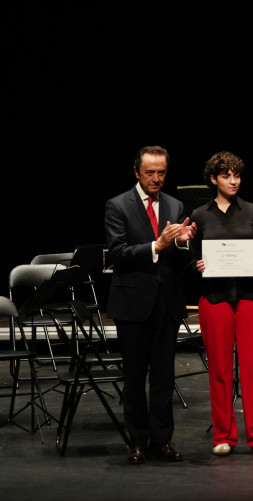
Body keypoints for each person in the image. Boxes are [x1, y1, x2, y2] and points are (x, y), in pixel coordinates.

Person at [104, 145, 196, 464]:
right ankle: (137, 442)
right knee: (134, 377)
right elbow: (116, 253)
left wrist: (183, 244)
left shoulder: (174, 203)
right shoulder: (118, 205)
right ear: (136, 172)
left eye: (161, 173)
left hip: (166, 302)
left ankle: (162, 440)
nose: (156, 178)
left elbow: (179, 256)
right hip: (132, 302)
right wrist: (157, 245)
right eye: (150, 173)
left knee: (163, 377)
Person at [189, 151, 253, 456]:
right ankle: (222, 436)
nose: (233, 180)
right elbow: (190, 257)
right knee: (220, 370)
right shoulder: (200, 215)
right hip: (214, 297)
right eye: (226, 175)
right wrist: (197, 265)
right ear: (214, 179)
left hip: (251, 296)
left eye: (237, 175)